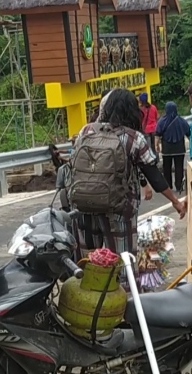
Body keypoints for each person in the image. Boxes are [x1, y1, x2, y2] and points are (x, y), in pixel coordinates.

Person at [69, 89, 186, 256]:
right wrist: (175, 201)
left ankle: (91, 281)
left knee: (89, 260)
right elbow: (154, 175)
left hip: (84, 206)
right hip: (119, 210)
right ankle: (122, 281)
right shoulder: (134, 138)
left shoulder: (86, 131)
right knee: (123, 261)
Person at [156, 101, 191, 193]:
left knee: (166, 168)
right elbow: (189, 134)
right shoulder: (182, 121)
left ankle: (168, 186)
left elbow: (157, 134)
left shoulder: (162, 121)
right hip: (179, 148)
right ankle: (179, 186)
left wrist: (156, 145)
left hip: (167, 149)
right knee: (179, 167)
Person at [51, 143, 72, 211]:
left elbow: (72, 161)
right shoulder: (77, 150)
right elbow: (68, 151)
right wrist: (59, 151)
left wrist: (62, 158)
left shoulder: (77, 151)